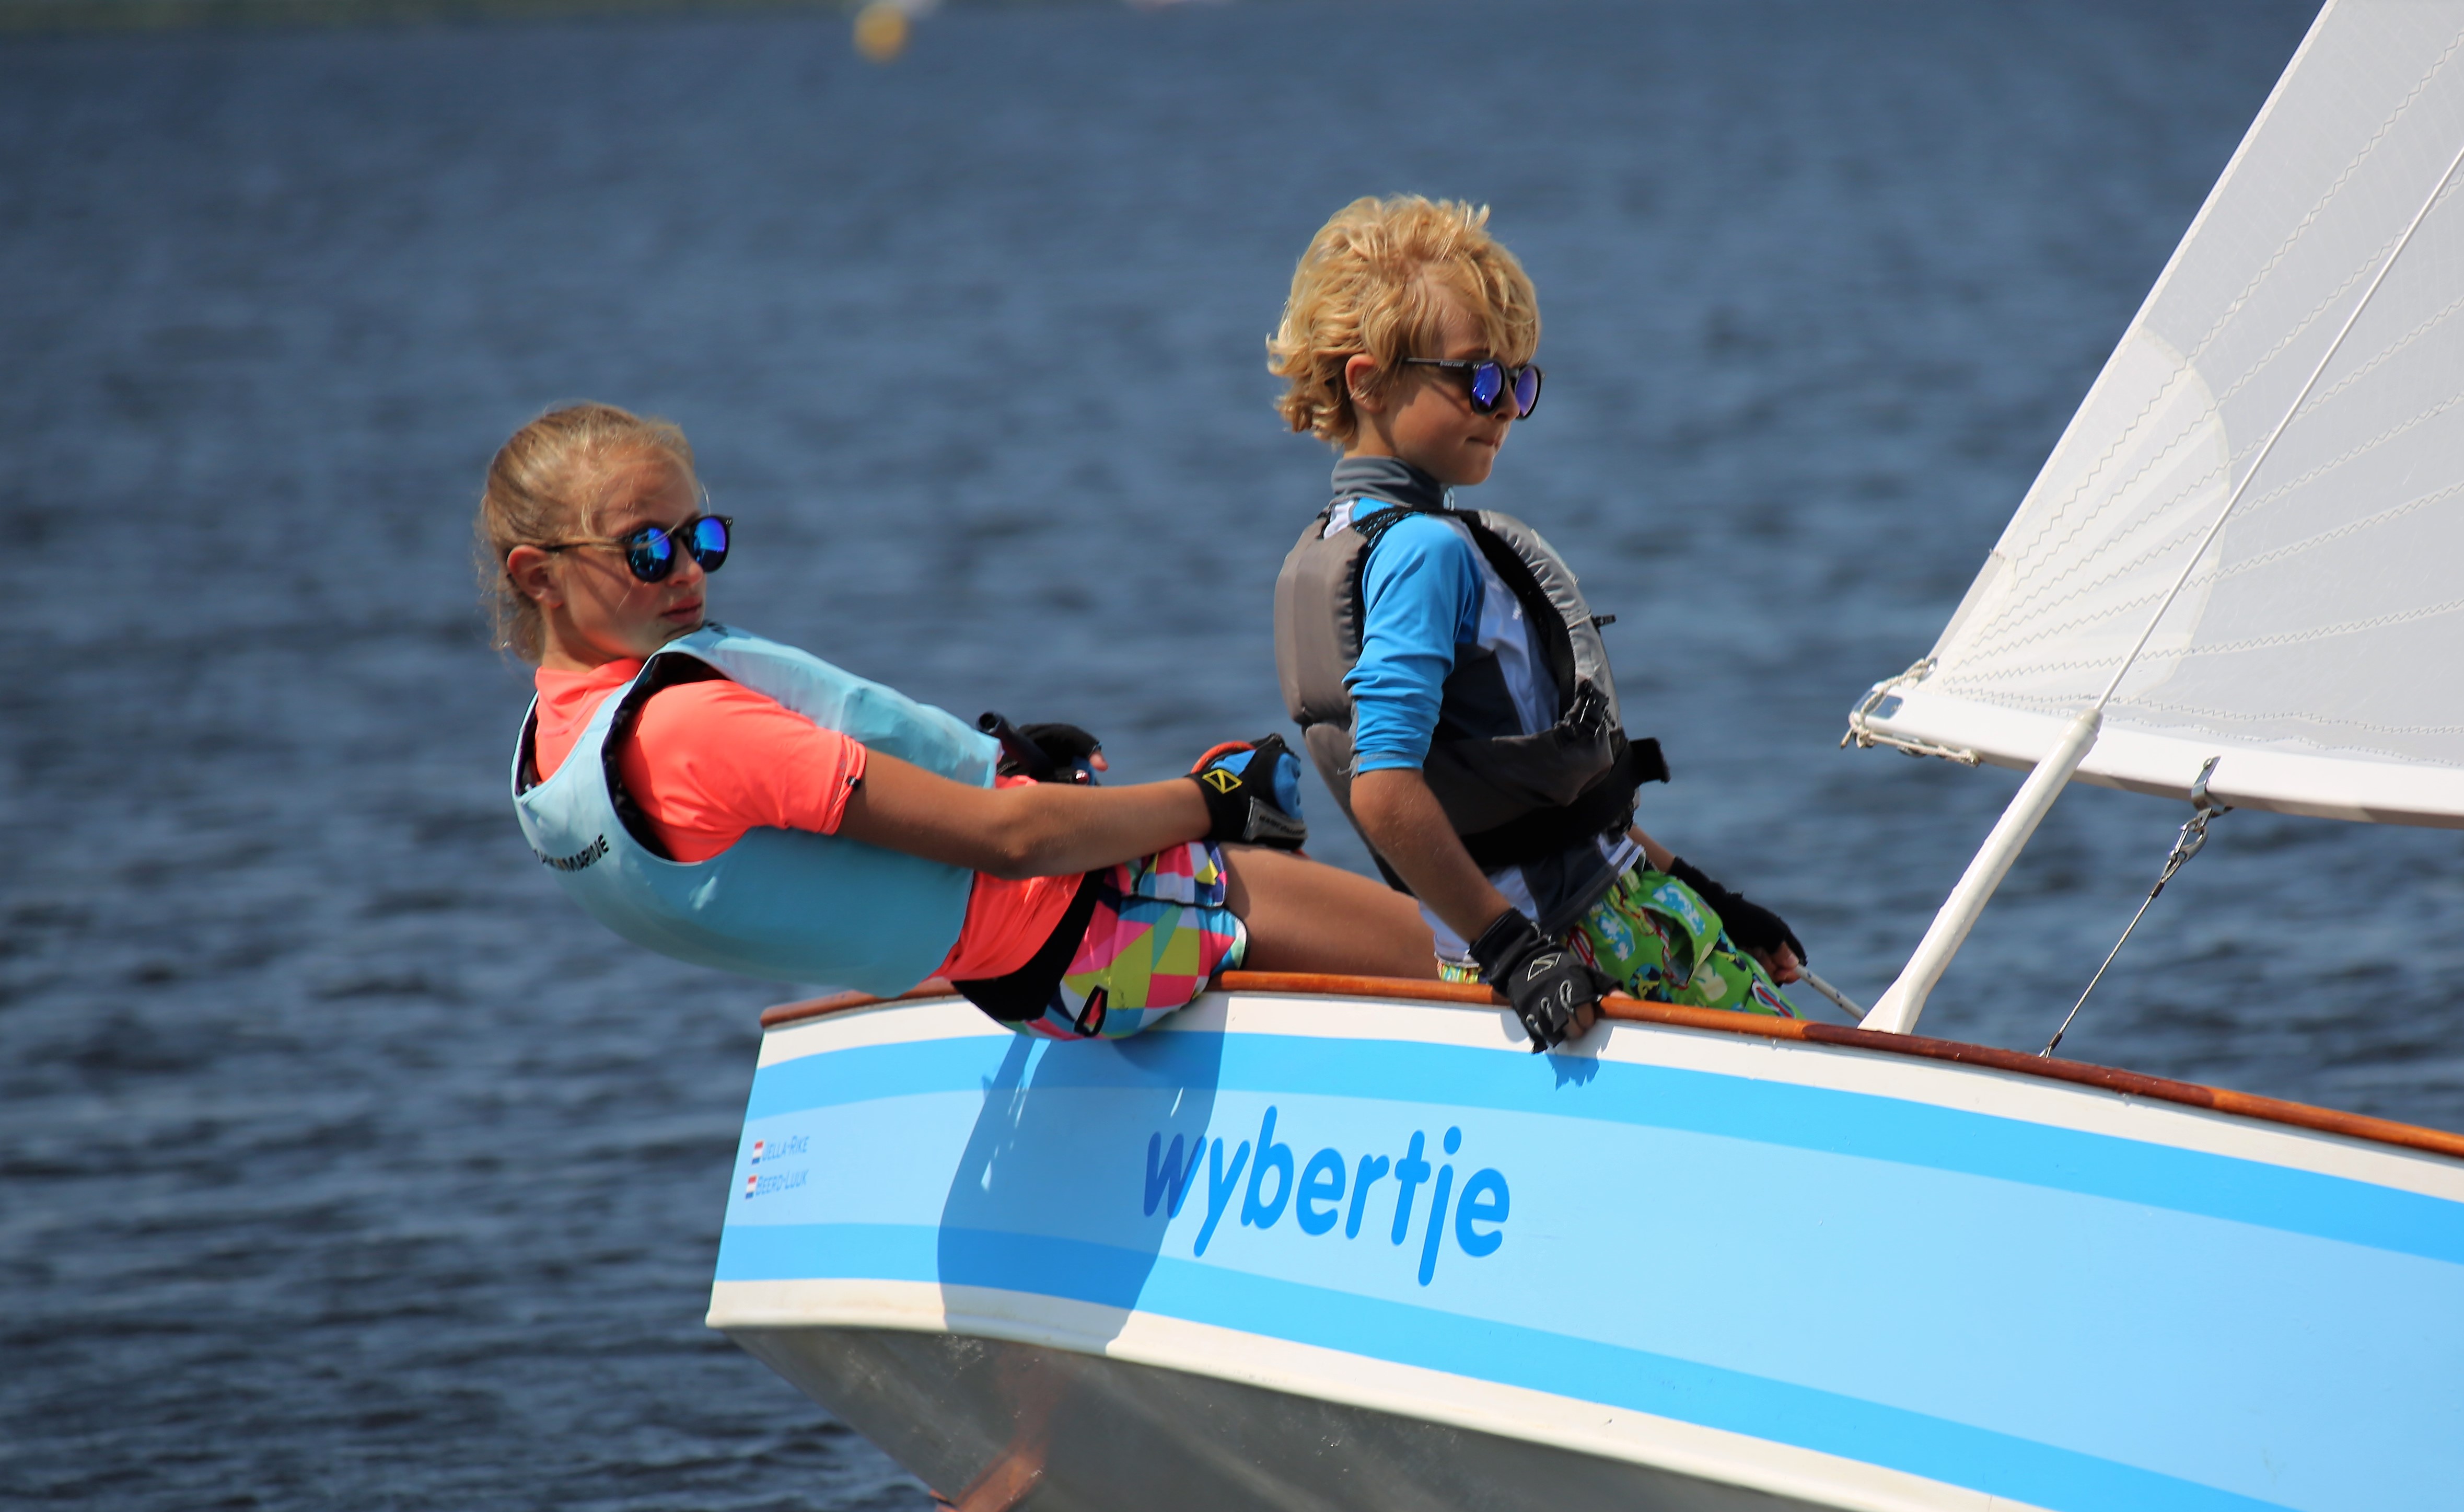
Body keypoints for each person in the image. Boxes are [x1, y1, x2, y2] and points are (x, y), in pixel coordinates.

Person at [485, 403, 1431, 1035]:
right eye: (648, 550)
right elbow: (1010, 840)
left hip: (1029, 987)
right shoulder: (688, 730)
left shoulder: (551, 758)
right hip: (1101, 926)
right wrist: (1209, 799)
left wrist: (1007, 763)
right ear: (539, 576)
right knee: (1429, 949)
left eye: (704, 538)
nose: (689, 571)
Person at [1266, 196, 1809, 1053]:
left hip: (1492, 969)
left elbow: (1536, 808)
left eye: (1519, 381)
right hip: (1597, 945)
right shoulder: (1425, 556)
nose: (1506, 407)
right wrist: (1517, 947)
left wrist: (1709, 896)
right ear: (1368, 381)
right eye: (1478, 378)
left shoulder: (1325, 551)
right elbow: (1386, 791)